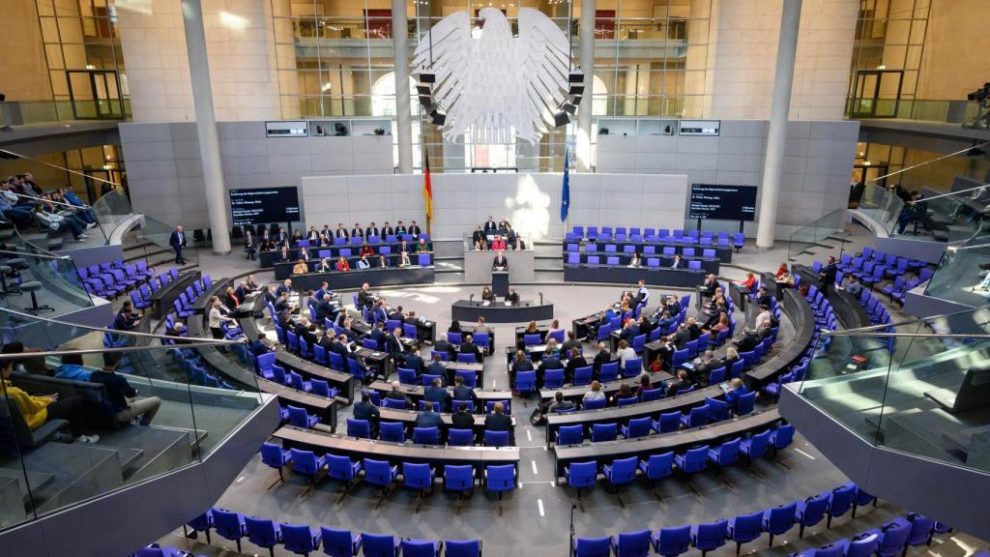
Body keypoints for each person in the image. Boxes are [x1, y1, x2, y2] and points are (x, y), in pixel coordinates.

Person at [1, 344, 100, 443]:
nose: (11, 369)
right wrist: (49, 400)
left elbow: (28, 401)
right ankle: (80, 437)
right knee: (74, 402)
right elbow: (33, 407)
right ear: (3, 370)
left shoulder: (8, 389)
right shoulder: (13, 392)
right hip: (33, 419)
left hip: (23, 419)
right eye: (9, 367)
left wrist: (45, 398)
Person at [91, 352, 161, 426]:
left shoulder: (94, 375)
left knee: (130, 400)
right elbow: (131, 393)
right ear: (118, 362)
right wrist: (136, 391)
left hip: (101, 412)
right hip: (116, 416)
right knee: (156, 400)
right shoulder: (118, 379)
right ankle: (142, 425)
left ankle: (134, 418)